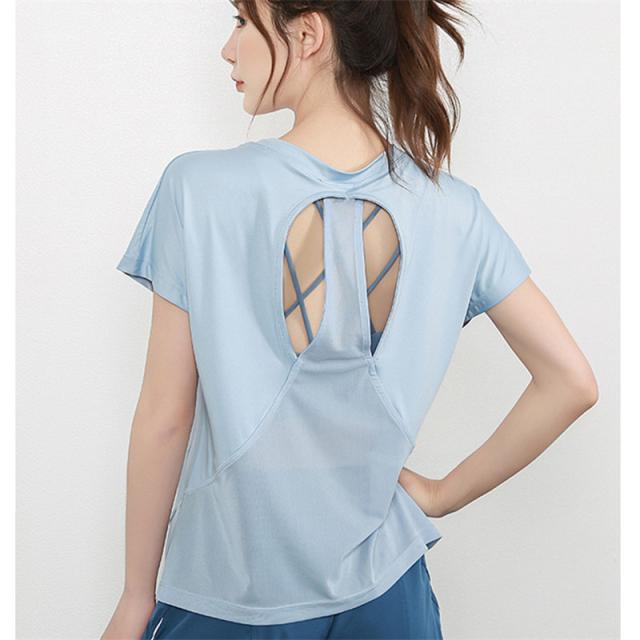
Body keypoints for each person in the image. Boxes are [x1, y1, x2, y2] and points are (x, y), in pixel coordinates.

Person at [101, 0, 599, 638]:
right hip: (390, 593)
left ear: (308, 33)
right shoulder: (455, 209)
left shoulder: (198, 189)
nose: (228, 49)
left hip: (233, 594)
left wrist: (135, 597)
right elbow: (571, 382)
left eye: (241, 22)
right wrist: (439, 494)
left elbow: (165, 418)